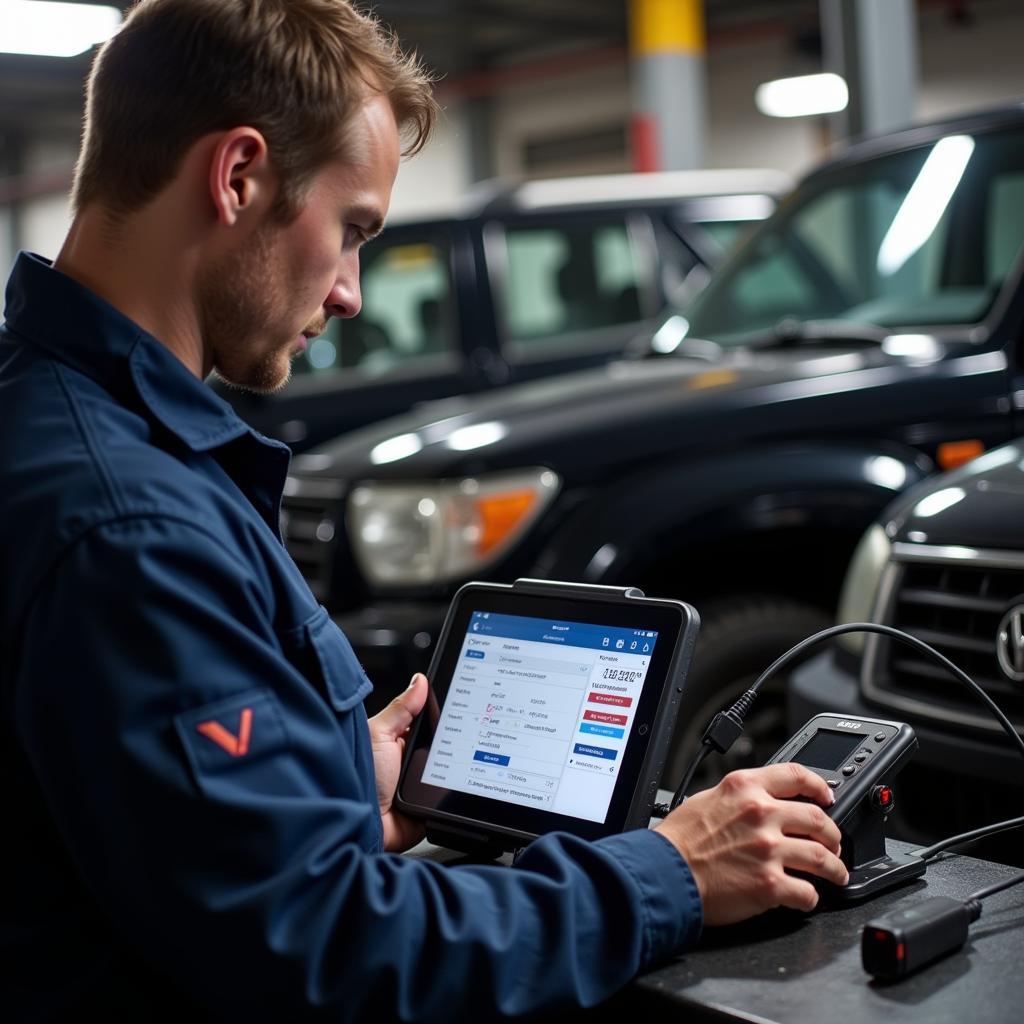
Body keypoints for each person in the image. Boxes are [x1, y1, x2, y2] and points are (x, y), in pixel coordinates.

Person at [0, 2, 848, 1020]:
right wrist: (670, 869)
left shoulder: (45, 419)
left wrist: (323, 778)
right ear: (237, 177)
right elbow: (322, 949)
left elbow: (114, 817)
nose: (353, 291)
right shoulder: (128, 523)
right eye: (351, 230)